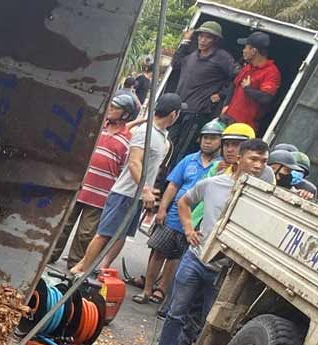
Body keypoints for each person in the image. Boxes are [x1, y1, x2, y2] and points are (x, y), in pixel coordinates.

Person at [144, 138, 272, 345]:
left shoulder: (264, 196)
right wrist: (189, 229)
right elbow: (184, 202)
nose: (258, 166)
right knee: (176, 311)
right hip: (197, 257)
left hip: (228, 271)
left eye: (263, 161)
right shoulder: (215, 184)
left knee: (212, 323)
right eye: (253, 159)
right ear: (239, 159)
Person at [71, 93, 182, 274]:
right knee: (104, 234)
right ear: (174, 114)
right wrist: (145, 190)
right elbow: (134, 162)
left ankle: (95, 268)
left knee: (120, 235)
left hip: (136, 196)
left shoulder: (162, 137)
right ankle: (82, 270)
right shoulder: (145, 133)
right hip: (125, 193)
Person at [134, 119, 223, 305]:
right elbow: (173, 185)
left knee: (176, 257)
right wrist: (162, 209)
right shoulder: (189, 160)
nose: (208, 141)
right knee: (158, 251)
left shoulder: (221, 168)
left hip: (197, 220)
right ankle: (147, 290)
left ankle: (162, 290)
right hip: (174, 214)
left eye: (213, 138)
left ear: (220, 142)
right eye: (205, 137)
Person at [50, 92, 138, 267]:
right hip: (80, 186)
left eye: (115, 108)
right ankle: (50, 256)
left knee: (86, 233)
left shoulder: (128, 140)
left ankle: (75, 265)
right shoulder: (98, 128)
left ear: (125, 114)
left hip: (101, 195)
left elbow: (123, 169)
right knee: (64, 224)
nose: (110, 110)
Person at [166, 21, 235, 171]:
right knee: (168, 145)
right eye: (200, 36)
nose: (202, 40)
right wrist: (185, 41)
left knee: (182, 150)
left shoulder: (222, 57)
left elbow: (236, 78)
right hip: (179, 110)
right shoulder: (192, 55)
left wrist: (220, 95)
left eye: (207, 37)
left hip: (197, 112)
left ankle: (169, 183)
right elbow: (176, 63)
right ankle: (160, 179)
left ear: (215, 40)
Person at [221, 32, 281, 132]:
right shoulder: (248, 67)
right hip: (227, 118)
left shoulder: (272, 72)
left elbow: (266, 98)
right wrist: (226, 106)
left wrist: (248, 89)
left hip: (245, 126)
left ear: (253, 51)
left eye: (245, 47)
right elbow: (234, 85)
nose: (243, 51)